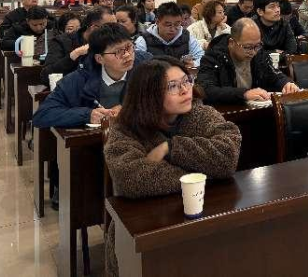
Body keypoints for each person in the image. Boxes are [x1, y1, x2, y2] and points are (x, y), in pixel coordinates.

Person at [103, 57, 242, 277]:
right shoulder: (126, 129)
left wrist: (171, 148)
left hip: (201, 219)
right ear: (148, 95)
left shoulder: (200, 114)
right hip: (146, 228)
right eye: (173, 86)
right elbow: (130, 178)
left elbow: (228, 156)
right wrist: (204, 173)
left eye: (186, 81)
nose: (185, 90)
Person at [33, 23, 152, 128]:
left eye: (129, 47)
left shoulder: (147, 68)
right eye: (118, 51)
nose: (127, 55)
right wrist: (87, 115)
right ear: (99, 58)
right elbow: (42, 115)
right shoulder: (79, 79)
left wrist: (129, 109)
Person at [197, 18, 298, 103]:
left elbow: (274, 74)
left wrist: (286, 83)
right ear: (232, 43)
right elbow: (207, 90)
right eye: (247, 47)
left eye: (257, 46)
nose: (253, 52)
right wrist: (244, 94)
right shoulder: (213, 57)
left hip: (256, 110)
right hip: (226, 113)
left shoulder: (258, 53)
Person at [41, 8, 116, 82]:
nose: (115, 32)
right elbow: (46, 75)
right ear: (94, 28)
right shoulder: (62, 41)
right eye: (110, 28)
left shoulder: (113, 43)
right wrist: (73, 55)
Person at [137, 2, 205, 65]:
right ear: (157, 22)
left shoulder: (187, 37)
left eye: (177, 24)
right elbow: (137, 65)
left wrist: (193, 64)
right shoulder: (143, 40)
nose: (172, 29)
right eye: (168, 25)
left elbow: (201, 58)